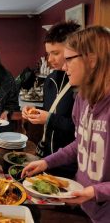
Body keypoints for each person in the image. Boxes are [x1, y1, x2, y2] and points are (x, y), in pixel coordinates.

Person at [22, 26, 110, 223]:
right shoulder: (82, 99)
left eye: (68, 59)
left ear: (92, 60)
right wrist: (46, 162)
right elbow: (80, 143)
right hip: (84, 204)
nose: (63, 66)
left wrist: (95, 191)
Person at [22, 21, 80, 178]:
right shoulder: (50, 79)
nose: (50, 59)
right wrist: (32, 111)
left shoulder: (80, 84)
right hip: (46, 157)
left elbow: (80, 132)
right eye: (48, 53)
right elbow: (50, 109)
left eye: (55, 53)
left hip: (70, 164)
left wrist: (49, 119)